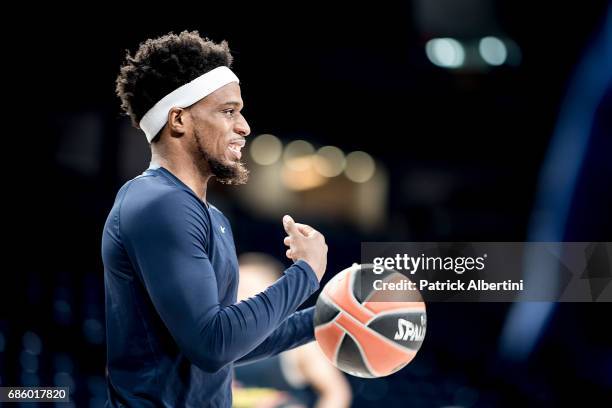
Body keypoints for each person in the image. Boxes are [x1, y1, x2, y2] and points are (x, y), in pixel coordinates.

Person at [102, 31, 328, 407]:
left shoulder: (208, 214)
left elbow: (232, 343)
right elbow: (213, 344)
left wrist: (325, 317)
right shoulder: (158, 203)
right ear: (178, 120)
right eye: (228, 111)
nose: (244, 126)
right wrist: (306, 271)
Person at [233, 253, 352, 408]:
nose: (241, 297)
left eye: (248, 289)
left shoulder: (300, 347)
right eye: (235, 289)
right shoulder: (215, 342)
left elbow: (336, 393)